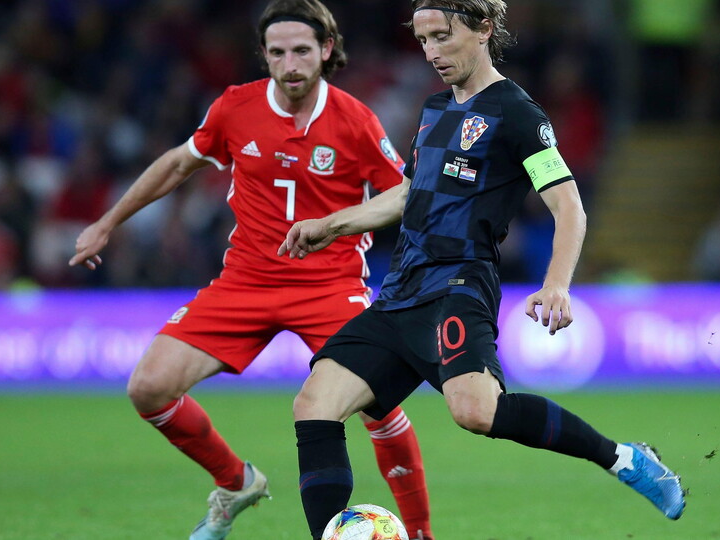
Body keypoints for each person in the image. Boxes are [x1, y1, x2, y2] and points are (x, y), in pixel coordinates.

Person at [279, 1, 687, 538]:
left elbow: (569, 207)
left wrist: (556, 284)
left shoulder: (519, 115)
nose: (432, 52)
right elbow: (409, 193)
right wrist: (333, 223)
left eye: (443, 37)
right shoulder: (432, 110)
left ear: (483, 30)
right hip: (401, 291)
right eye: (423, 40)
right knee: (314, 404)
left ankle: (625, 459)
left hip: (458, 284)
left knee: (475, 412)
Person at [69, 1, 433, 539]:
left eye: (302, 51)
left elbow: (406, 192)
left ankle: (422, 533)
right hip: (246, 281)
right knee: (149, 387)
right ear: (264, 55)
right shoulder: (235, 108)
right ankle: (237, 482)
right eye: (278, 52)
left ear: (326, 51)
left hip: (330, 286)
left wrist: (339, 225)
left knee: (378, 404)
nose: (290, 64)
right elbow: (177, 163)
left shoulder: (356, 119)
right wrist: (107, 222)